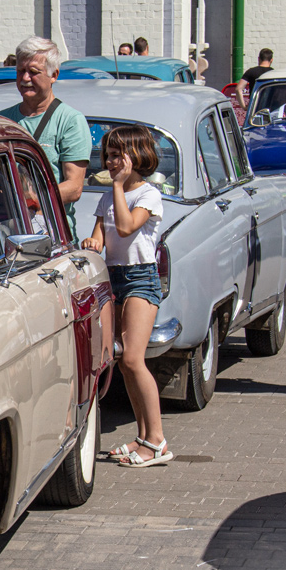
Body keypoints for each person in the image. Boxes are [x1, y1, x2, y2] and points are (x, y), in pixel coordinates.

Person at [82, 124, 170, 468]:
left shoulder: (148, 195)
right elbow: (101, 238)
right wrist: (92, 244)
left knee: (134, 359)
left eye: (119, 154)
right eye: (109, 154)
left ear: (138, 156)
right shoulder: (108, 197)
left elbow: (126, 227)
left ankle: (157, 440)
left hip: (140, 279)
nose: (112, 160)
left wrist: (118, 185)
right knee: (123, 362)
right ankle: (143, 437)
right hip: (113, 278)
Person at [0, 36, 91, 230]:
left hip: (52, 234)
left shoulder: (70, 120)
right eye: (20, 71)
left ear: (54, 75)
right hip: (6, 232)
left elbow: (74, 188)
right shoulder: (2, 120)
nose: (25, 79)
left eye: (33, 72)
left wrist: (31, 198)